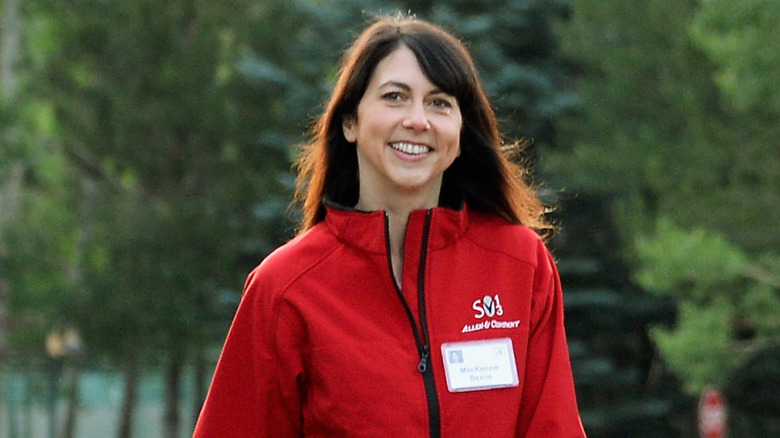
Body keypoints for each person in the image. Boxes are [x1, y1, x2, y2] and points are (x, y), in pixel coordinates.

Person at [193, 13, 586, 438]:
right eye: (395, 97)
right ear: (350, 122)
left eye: (439, 103)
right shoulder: (284, 288)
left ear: (459, 134)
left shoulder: (520, 265)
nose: (418, 120)